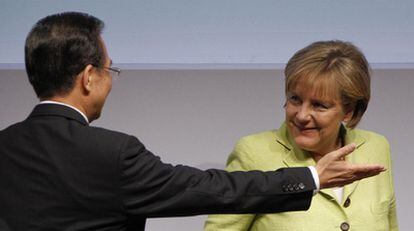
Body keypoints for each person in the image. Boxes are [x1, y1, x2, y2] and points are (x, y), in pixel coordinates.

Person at [0, 12, 384, 231]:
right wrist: (313, 178)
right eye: (108, 68)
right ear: (88, 77)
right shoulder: (114, 154)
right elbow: (212, 189)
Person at [204, 40, 398, 231]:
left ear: (349, 111)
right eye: (295, 99)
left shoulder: (377, 147)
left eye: (319, 105)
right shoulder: (254, 153)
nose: (302, 115)